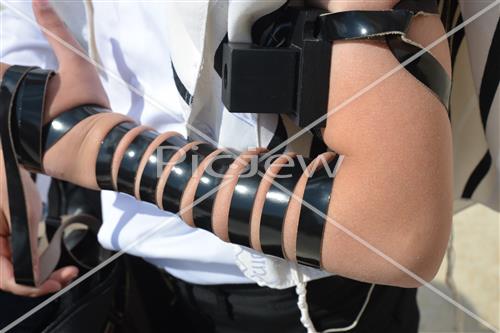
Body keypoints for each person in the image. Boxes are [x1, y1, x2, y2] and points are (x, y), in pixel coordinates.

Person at [0, 0, 458, 332]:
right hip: (121, 252)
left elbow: (398, 229)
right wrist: (20, 105)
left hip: (302, 298)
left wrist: (98, 150)